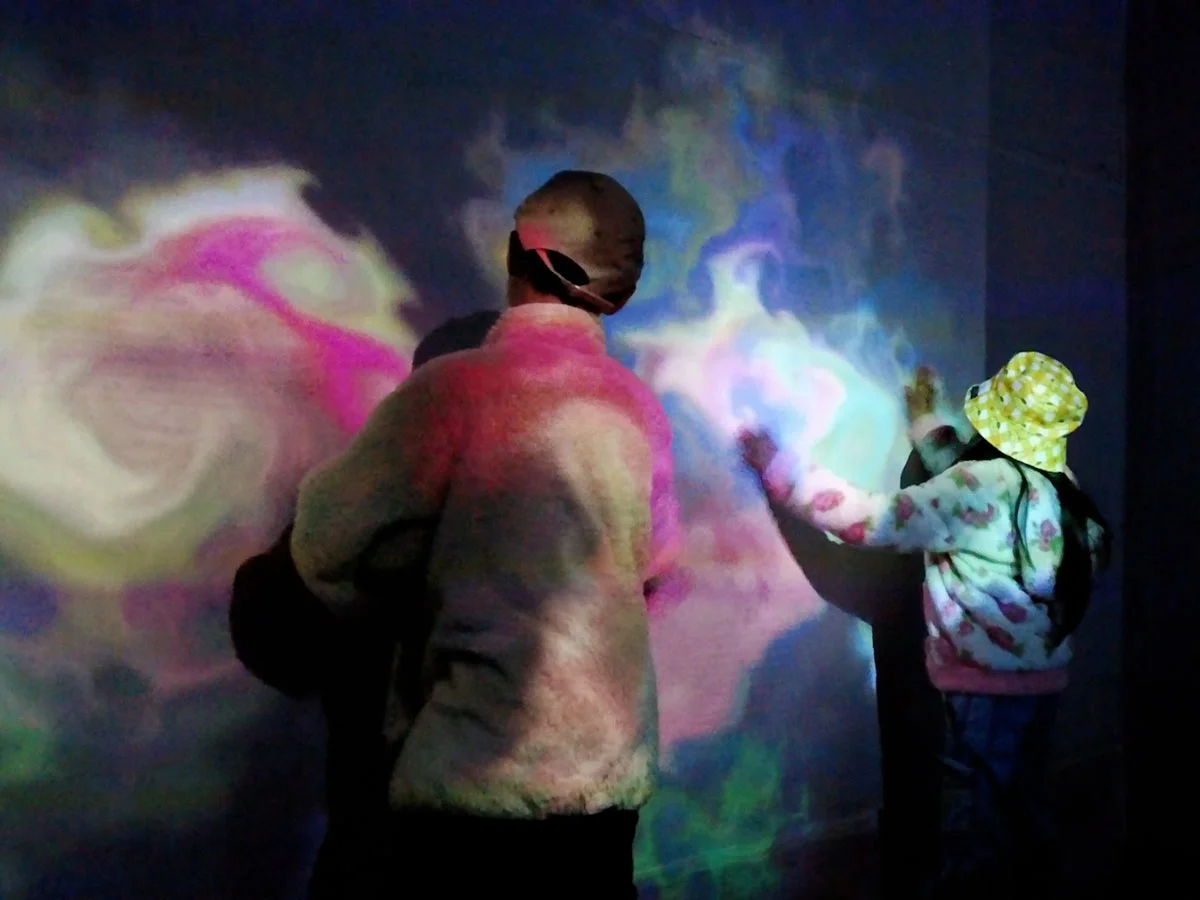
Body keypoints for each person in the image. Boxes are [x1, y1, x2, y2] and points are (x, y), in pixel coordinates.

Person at [289, 171, 681, 898]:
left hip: (474, 779)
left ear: (514, 254)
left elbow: (325, 545)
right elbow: (654, 567)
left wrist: (415, 577)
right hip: (605, 780)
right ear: (617, 295)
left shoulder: (448, 390)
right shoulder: (637, 410)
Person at [739, 352, 1112, 899]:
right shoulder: (1061, 489)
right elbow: (962, 473)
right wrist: (924, 418)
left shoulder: (973, 487)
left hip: (974, 693)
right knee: (1022, 809)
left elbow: (864, 518)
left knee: (966, 829)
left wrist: (777, 466)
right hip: (1043, 686)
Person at [228, 309, 502, 899]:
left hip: (396, 842)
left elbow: (276, 642)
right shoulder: (368, 506)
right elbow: (278, 637)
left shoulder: (363, 507)